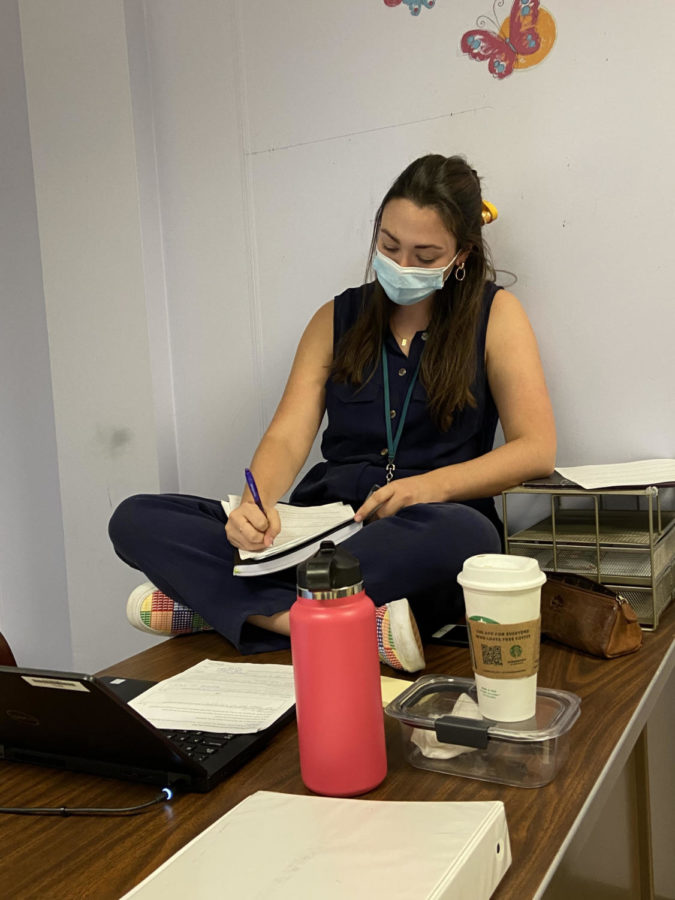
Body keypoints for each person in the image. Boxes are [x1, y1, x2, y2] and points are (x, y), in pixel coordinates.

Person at [109, 154, 556, 672]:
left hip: (419, 527)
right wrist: (258, 504)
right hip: (320, 531)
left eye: (424, 254)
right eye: (389, 246)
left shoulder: (495, 315)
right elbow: (287, 436)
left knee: (472, 538)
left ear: (460, 255)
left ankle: (226, 607)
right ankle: (311, 621)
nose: (401, 266)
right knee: (136, 518)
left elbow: (536, 449)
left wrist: (426, 487)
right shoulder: (335, 317)